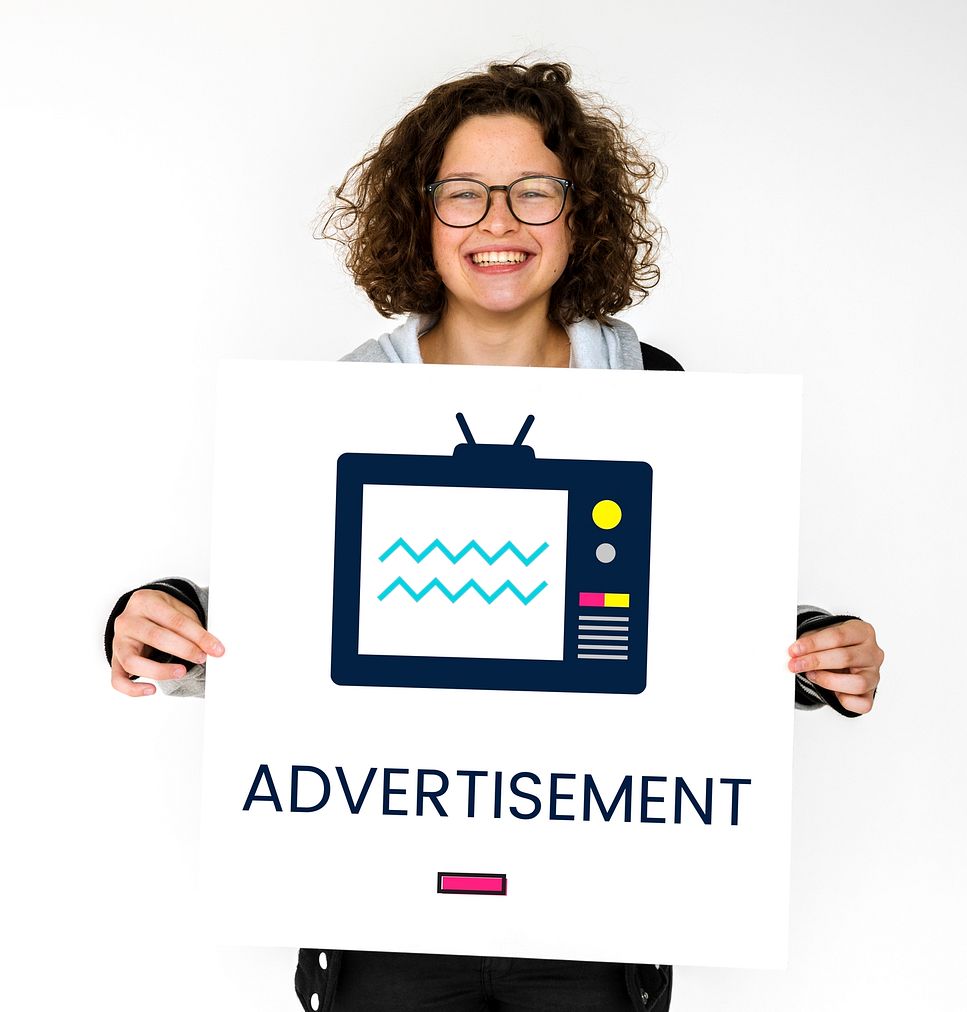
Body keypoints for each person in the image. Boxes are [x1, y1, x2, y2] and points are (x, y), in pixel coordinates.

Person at [104, 60, 883, 1012]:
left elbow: (694, 618)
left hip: (593, 907)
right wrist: (168, 629)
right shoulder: (339, 404)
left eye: (534, 193)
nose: (500, 222)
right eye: (465, 194)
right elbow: (298, 640)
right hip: (384, 909)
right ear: (422, 218)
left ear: (580, 214)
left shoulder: (658, 392)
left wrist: (811, 656)